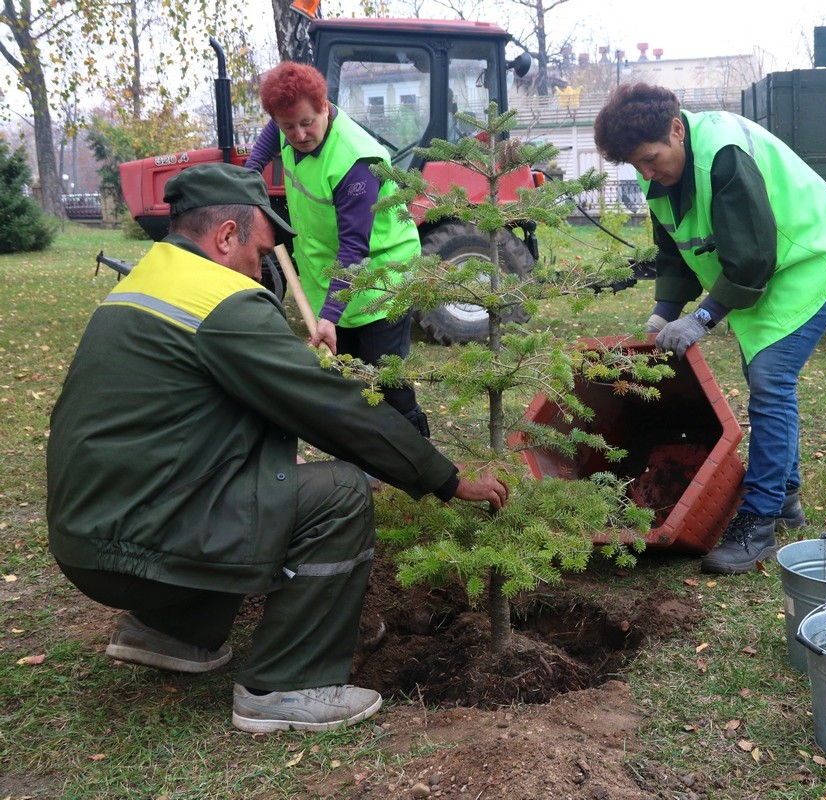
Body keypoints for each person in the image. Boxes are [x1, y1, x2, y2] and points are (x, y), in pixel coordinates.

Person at [46, 163, 509, 733]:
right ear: (225, 237)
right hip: (137, 546)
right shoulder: (222, 302)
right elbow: (328, 406)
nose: (261, 268)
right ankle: (287, 685)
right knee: (339, 491)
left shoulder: (143, 282)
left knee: (267, 477)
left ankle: (171, 631)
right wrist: (442, 475)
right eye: (260, 252)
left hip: (89, 537)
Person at [593, 83, 826, 576]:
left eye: (652, 159)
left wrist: (703, 318)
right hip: (756, 269)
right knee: (765, 376)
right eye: (637, 166)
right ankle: (786, 498)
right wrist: (663, 313)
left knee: (770, 381)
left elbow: (753, 259)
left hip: (807, 255)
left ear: (676, 129)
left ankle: (758, 524)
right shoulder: (661, 174)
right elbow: (675, 250)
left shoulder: (723, 157)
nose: (648, 173)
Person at [243, 61, 430, 438]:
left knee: (383, 377)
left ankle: (418, 450)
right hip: (329, 273)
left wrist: (329, 315)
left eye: (307, 122)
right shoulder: (289, 123)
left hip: (380, 275)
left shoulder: (355, 162)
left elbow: (354, 247)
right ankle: (371, 457)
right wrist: (248, 175)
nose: (298, 134)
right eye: (288, 126)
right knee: (349, 375)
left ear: (325, 106)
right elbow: (270, 135)